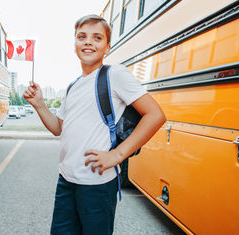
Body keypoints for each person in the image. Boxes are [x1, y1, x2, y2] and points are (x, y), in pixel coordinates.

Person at [23, 14, 166, 235]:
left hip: (97, 185)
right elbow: (58, 128)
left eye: (97, 38)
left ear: (107, 47)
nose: (88, 41)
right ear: (75, 45)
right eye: (82, 36)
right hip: (67, 180)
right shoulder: (72, 86)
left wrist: (117, 155)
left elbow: (155, 115)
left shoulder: (114, 74)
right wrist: (40, 105)